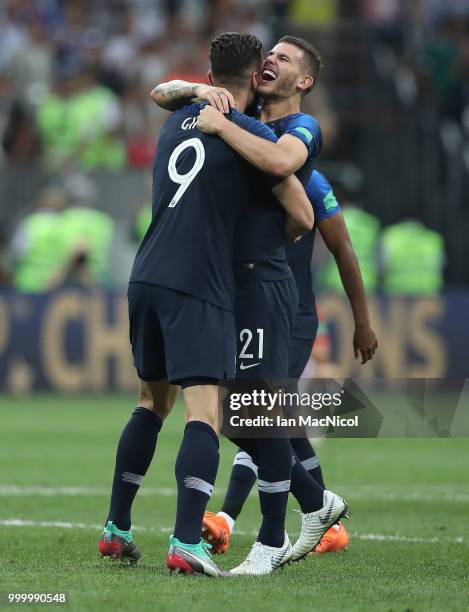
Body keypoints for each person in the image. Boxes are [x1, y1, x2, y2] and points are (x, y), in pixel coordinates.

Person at [98, 32, 315, 578]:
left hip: (145, 274)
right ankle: (187, 540)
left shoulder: (178, 118)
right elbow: (303, 213)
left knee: (152, 401)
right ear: (253, 75)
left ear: (211, 73)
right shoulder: (247, 131)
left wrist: (191, 91)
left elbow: (162, 93)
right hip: (201, 284)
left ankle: (116, 529)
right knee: (206, 412)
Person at [153, 35, 377, 561]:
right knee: (238, 415)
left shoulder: (301, 136)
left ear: (305, 81)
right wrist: (195, 90)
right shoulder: (239, 114)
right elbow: (161, 92)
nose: (272, 60)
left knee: (257, 415)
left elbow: (292, 183)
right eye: (269, 54)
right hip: (232, 290)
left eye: (286, 58)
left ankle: (273, 537)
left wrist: (362, 320)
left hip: (278, 297)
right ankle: (316, 505)